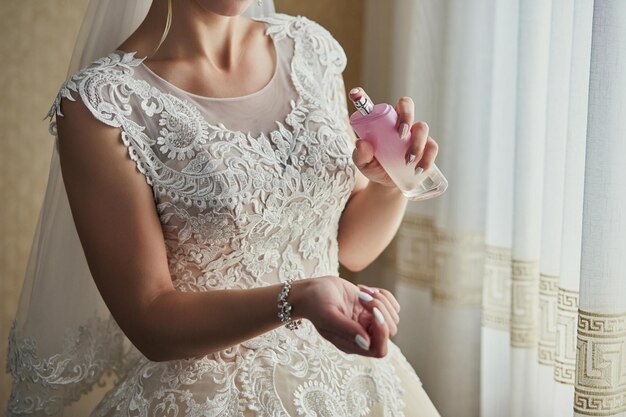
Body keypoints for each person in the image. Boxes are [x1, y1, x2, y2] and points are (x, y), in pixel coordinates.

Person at [6, 1, 441, 416]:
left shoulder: (310, 49)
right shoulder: (101, 106)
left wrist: (388, 185)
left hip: (350, 379)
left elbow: (350, 247)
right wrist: (299, 298)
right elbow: (150, 319)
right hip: (208, 396)